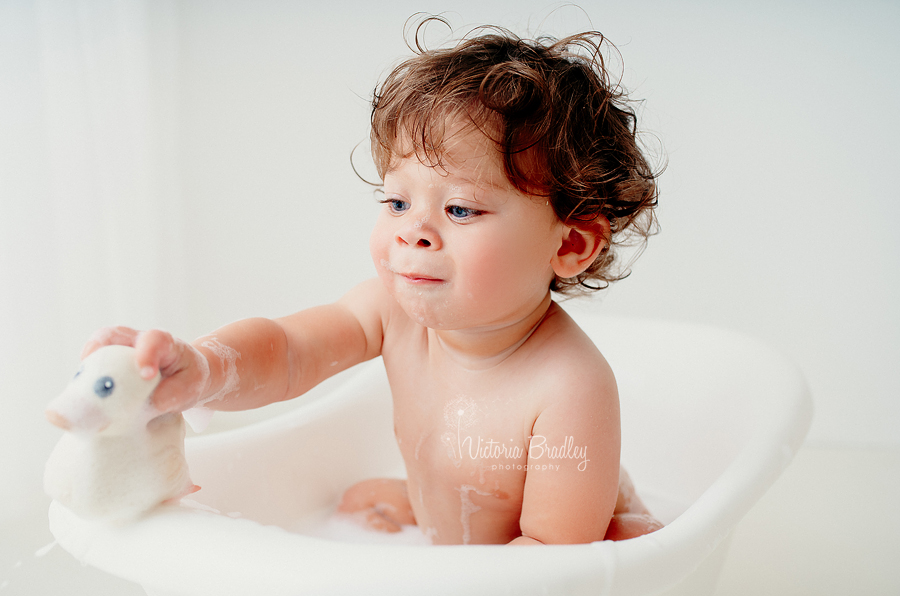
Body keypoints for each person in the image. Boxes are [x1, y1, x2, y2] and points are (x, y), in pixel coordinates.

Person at [82, 19, 663, 545]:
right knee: (360, 501)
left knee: (627, 538)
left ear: (570, 245)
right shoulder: (393, 311)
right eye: (398, 201)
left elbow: (554, 563)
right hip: (463, 539)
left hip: (549, 541)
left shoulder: (571, 386)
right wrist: (202, 368)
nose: (415, 232)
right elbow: (286, 352)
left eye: (460, 209)